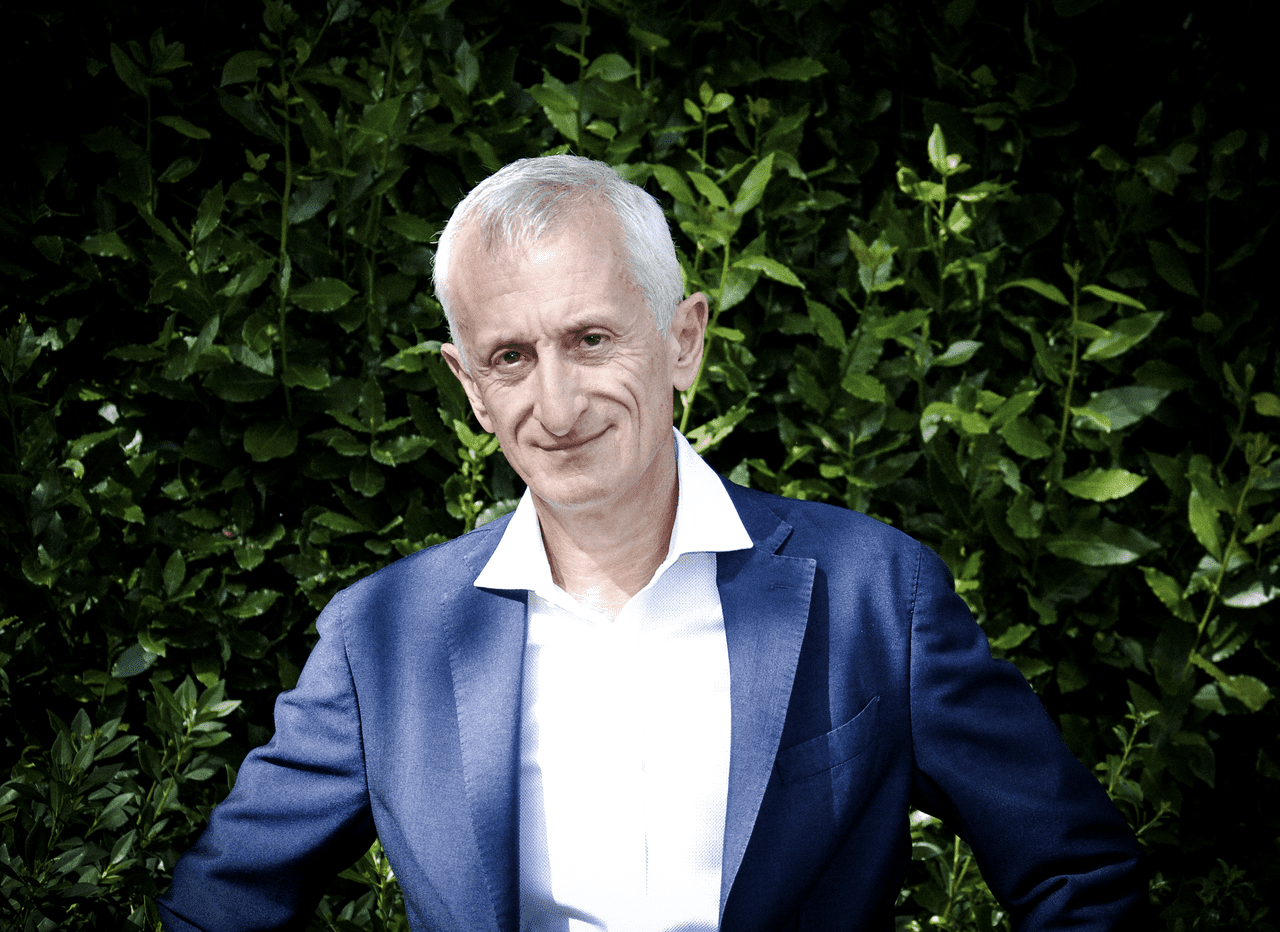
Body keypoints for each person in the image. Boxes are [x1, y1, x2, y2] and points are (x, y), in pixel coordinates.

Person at [158, 155, 1143, 931]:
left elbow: (1075, 874)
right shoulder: (382, 637)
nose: (556, 405)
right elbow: (218, 908)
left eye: (590, 339)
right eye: (511, 357)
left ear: (682, 340)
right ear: (470, 387)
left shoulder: (876, 594)